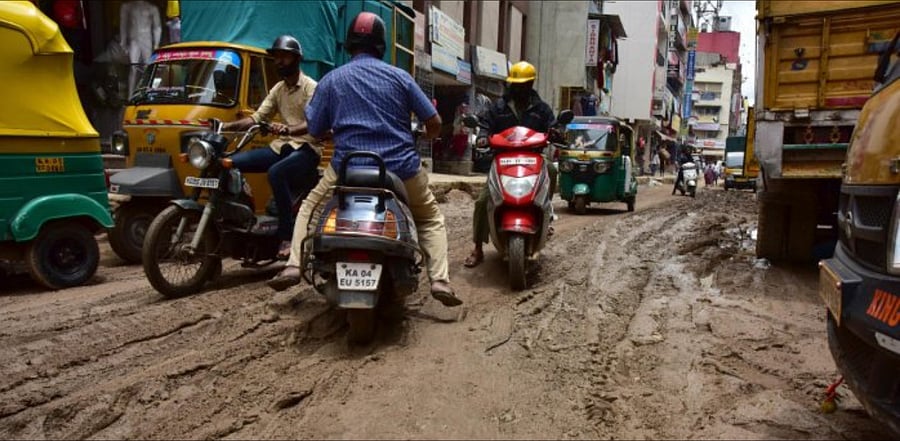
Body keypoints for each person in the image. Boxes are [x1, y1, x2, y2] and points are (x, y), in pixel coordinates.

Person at [266, 12, 462, 308]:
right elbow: (434, 121)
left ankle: (294, 264)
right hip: (402, 168)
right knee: (430, 218)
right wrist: (424, 136)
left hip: (348, 168)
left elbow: (316, 129)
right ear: (381, 45)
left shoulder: (332, 79)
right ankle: (439, 280)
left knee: (309, 207)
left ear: (349, 44)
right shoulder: (400, 77)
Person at [221, 35, 322, 258]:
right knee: (229, 163)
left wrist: (288, 129)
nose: (279, 61)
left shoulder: (310, 87)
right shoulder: (278, 89)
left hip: (306, 149)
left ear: (296, 59)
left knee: (276, 173)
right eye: (276, 57)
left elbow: (314, 123)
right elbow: (256, 118)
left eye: (284, 57)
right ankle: (237, 217)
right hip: (281, 147)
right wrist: (224, 125)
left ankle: (285, 236)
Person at [463, 61, 557, 268]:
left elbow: (552, 126)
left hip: (533, 158)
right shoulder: (498, 107)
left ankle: (546, 211)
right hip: (503, 159)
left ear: (531, 84)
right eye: (516, 84)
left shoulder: (541, 109)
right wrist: (483, 136)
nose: (519, 89)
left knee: (551, 169)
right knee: (482, 201)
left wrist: (557, 133)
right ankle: (478, 247)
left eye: (523, 84)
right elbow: (485, 124)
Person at [119, 0, 161, 97]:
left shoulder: (152, 8)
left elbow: (157, 27)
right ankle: (130, 96)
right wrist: (123, 42)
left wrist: (156, 44)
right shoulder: (129, 7)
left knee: (148, 67)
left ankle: (148, 94)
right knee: (133, 68)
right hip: (134, 40)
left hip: (147, 40)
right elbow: (124, 24)